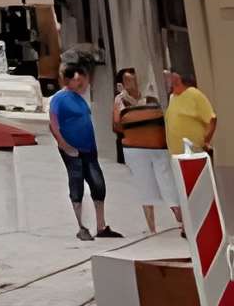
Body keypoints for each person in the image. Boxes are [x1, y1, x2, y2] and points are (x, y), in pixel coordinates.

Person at [48, 58, 121, 244]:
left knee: (98, 184)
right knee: (77, 184)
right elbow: (54, 125)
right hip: (73, 150)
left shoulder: (80, 98)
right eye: (77, 81)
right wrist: (66, 146)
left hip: (89, 148)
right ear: (68, 81)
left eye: (82, 81)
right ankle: (81, 226)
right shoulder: (58, 99)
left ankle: (101, 225)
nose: (81, 84)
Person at [111, 66, 171, 234]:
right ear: (122, 83)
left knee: (166, 183)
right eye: (128, 80)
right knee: (146, 186)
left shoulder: (149, 97)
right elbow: (116, 125)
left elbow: (158, 117)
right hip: (136, 148)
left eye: (134, 79)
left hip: (156, 146)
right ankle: (152, 227)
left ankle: (179, 218)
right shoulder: (120, 101)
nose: (133, 83)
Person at [165, 67, 217, 197]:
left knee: (200, 191)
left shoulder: (194, 94)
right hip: (177, 156)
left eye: (174, 79)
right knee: (186, 193)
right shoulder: (173, 97)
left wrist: (205, 140)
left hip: (193, 152)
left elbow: (211, 119)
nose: (172, 82)